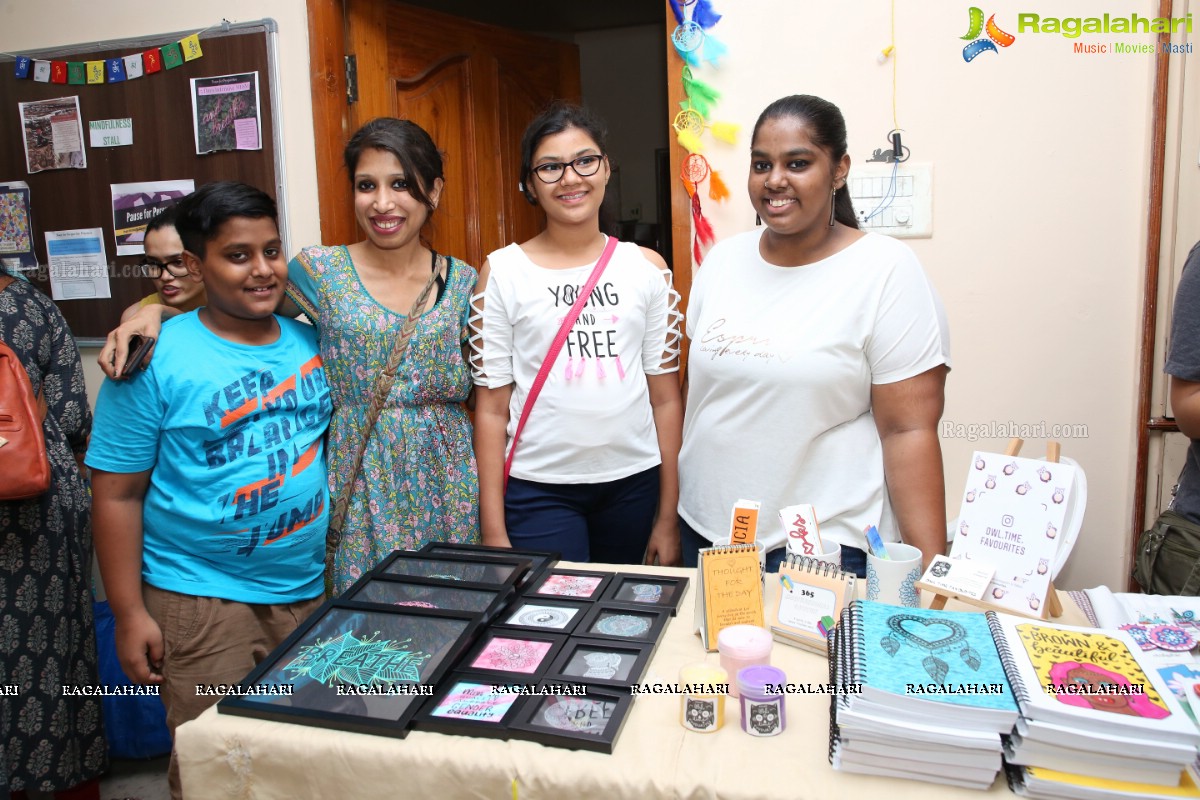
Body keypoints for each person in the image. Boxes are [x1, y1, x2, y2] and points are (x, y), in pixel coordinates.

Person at [100, 119, 480, 594]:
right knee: (365, 632)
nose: (383, 203)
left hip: (449, 478)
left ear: (435, 191)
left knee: (455, 617)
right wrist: (147, 312)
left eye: (401, 184)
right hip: (359, 478)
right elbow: (224, 296)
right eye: (367, 185)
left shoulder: (465, 282)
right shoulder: (320, 271)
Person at [87, 182, 331, 800]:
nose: (263, 270)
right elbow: (115, 496)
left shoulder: (315, 343)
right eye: (238, 255)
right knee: (217, 772)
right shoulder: (150, 359)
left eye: (272, 251)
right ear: (197, 266)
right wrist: (128, 613)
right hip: (198, 603)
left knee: (303, 767)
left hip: (304, 593)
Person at [677, 94, 950, 577]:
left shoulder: (884, 270)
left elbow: (908, 431)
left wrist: (927, 576)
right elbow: (695, 396)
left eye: (797, 163)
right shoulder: (722, 262)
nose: (775, 180)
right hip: (706, 534)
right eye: (762, 164)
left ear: (839, 169)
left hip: (820, 549)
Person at [471, 102, 683, 566]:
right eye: (550, 167)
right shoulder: (503, 272)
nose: (570, 178)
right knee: (550, 622)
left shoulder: (647, 269)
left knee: (622, 621)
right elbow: (490, 408)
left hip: (633, 483)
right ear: (529, 184)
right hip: (538, 488)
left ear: (606, 169)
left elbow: (665, 399)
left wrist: (668, 516)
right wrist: (492, 531)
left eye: (585, 161)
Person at [0, 273, 106, 799]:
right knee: (53, 647)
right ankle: (58, 776)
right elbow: (70, 416)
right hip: (39, 497)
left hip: (33, 506)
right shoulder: (30, 306)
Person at [119, 207, 206, 322]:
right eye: (154, 264)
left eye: (178, 262)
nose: (165, 276)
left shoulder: (232, 309)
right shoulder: (135, 317)